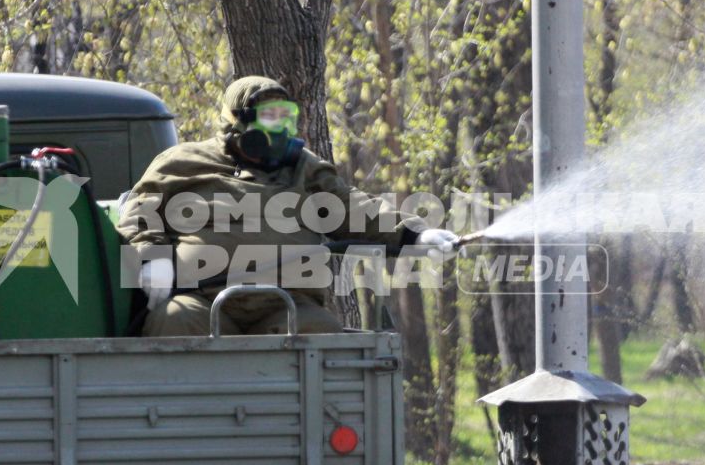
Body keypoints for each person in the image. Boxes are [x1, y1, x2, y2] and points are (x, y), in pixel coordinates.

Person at [117, 76, 459, 335]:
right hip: (202, 300)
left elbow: (353, 209)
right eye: (270, 117)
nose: (280, 127)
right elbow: (138, 213)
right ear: (239, 121)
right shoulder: (183, 161)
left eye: (287, 117)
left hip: (286, 305)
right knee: (174, 321)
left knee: (322, 338)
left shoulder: (303, 169)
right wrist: (151, 258)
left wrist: (414, 235)